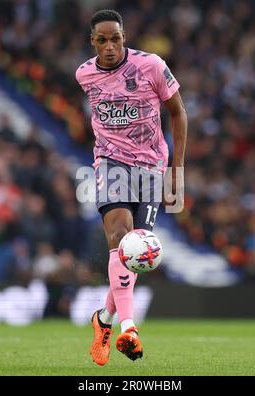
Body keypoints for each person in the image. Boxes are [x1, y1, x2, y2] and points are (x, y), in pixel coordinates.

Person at [75, 9, 187, 366]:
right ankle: (129, 328)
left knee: (137, 254)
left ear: (125, 37)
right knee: (122, 239)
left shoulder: (151, 66)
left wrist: (176, 171)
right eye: (102, 40)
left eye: (116, 39)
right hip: (110, 164)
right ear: (92, 42)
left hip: (152, 166)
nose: (110, 46)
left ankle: (103, 320)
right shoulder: (84, 74)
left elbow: (179, 113)